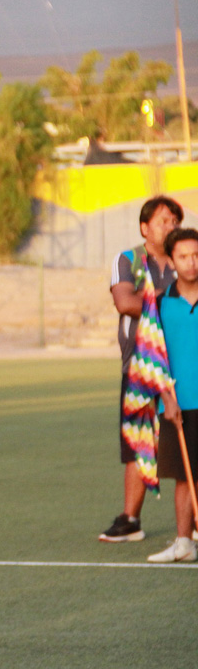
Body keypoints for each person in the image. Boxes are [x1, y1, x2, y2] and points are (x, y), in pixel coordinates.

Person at [101, 195, 182, 542]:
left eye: (175, 221)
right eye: (165, 220)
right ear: (144, 227)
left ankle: (189, 521)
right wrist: (173, 303)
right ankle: (130, 519)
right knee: (138, 441)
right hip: (140, 367)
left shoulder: (188, 260)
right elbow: (125, 301)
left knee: (187, 441)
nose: (171, 227)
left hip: (183, 366)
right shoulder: (129, 259)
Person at [152, 227, 198, 562]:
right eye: (183, 256)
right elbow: (153, 358)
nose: (192, 263)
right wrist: (166, 398)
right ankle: (184, 543)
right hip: (180, 403)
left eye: (197, 255)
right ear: (171, 260)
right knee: (183, 475)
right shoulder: (159, 303)